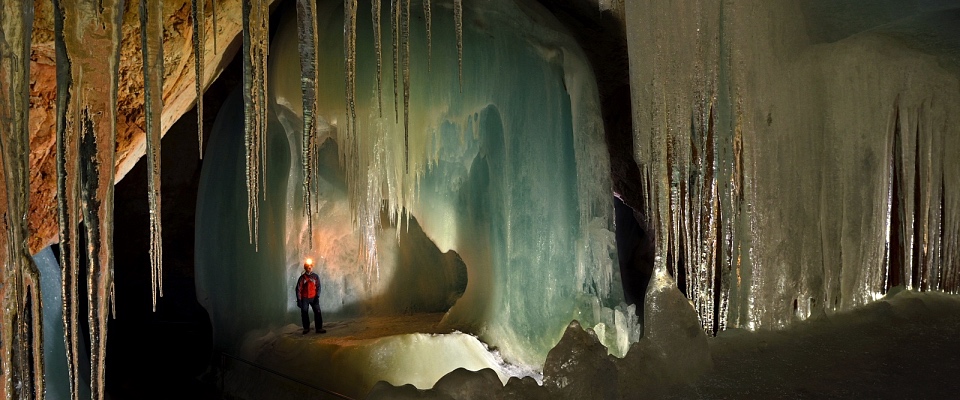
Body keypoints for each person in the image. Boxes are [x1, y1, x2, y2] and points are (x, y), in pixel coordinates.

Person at [295, 258, 326, 334]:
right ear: (305, 268)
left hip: (313, 297)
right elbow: (298, 289)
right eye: (308, 266)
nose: (309, 268)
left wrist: (317, 296)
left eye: (310, 266)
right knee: (304, 313)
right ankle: (306, 328)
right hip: (304, 298)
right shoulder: (302, 278)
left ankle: (319, 328)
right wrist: (299, 300)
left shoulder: (315, 277)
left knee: (318, 312)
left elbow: (318, 287)